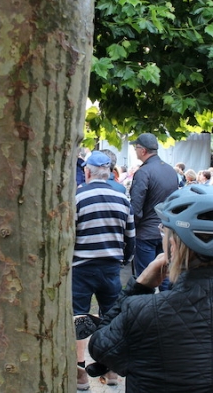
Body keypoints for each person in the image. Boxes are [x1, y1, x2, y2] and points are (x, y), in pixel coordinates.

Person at [88, 184, 213, 392]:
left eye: (164, 232)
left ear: (174, 245)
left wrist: (139, 286)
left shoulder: (142, 312)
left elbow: (100, 348)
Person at [74, 151, 136, 389]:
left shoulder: (78, 196)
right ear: (109, 173)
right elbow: (130, 237)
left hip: (81, 268)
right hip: (110, 267)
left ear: (87, 172)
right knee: (111, 317)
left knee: (79, 318)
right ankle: (111, 370)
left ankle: (80, 371)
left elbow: (69, 234)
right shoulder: (122, 198)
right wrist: (123, 260)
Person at [129, 133, 179, 285]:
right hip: (166, 230)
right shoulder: (171, 170)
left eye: (136, 147)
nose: (135, 151)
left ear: (143, 150)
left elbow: (136, 207)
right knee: (165, 276)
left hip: (146, 233)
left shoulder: (143, 172)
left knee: (145, 279)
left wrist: (131, 229)